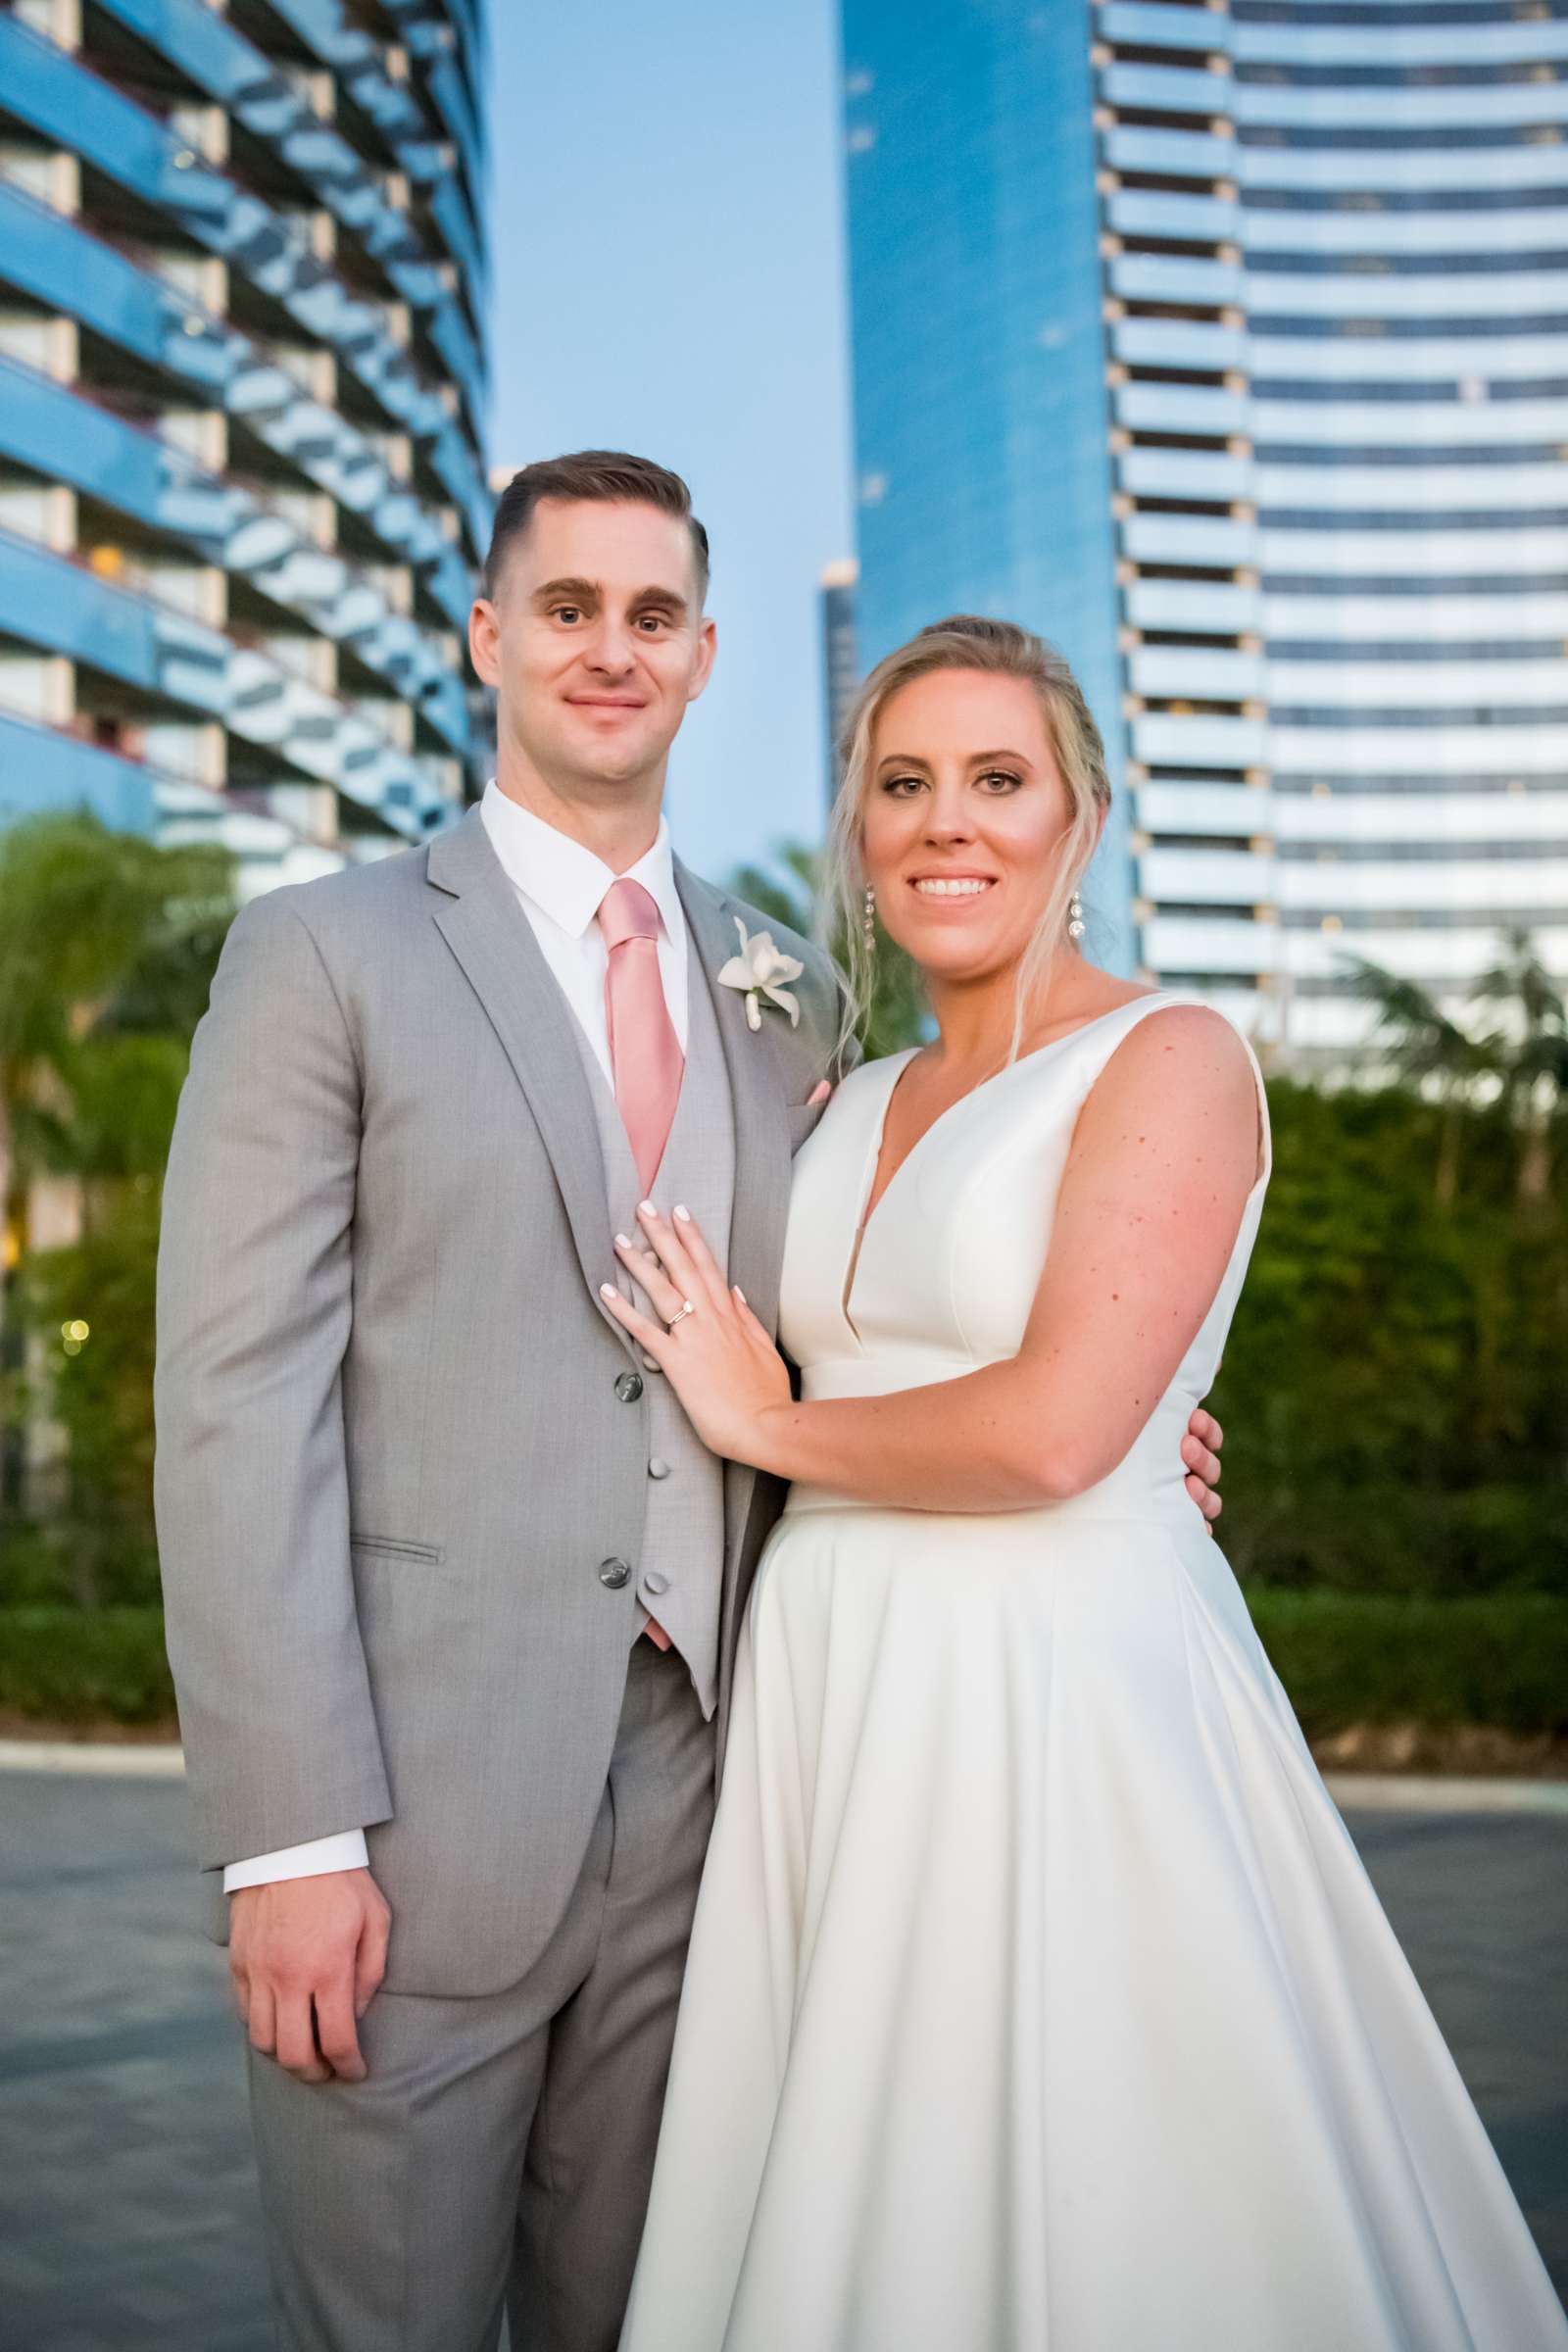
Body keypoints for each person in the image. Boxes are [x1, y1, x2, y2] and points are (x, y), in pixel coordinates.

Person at [153, 448, 1235, 2352]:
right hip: (409, 1831)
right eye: (564, 607)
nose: (607, 648)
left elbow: (856, 1326)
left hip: (725, 1825)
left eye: (649, 614)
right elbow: (239, 1406)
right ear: (489, 635)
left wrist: (1120, 1431)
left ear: (705, 651)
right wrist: (288, 1839)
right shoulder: (322, 953)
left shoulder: (799, 993)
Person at [609, 617, 1568, 2352]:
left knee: (1091, 2162)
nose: (945, 823)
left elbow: (1057, 1429)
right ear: (858, 825)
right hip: (835, 1686)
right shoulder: (843, 1097)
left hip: (1050, 1685)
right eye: (903, 784)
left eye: (998, 780)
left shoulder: (1173, 1056)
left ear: (1084, 820)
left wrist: (773, 1425)